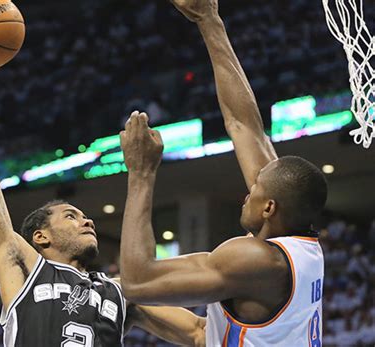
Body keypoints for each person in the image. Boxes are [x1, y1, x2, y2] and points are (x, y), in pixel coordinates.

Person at [0, 21, 206, 347]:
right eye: (71, 216)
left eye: (81, 216)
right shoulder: (22, 265)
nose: (88, 220)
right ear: (41, 237)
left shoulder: (123, 291)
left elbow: (199, 332)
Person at [119, 0, 327, 346]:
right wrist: (208, 20)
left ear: (269, 207)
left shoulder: (257, 262)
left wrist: (141, 173)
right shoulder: (296, 245)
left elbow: (138, 281)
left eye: (255, 188)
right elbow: (245, 126)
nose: (248, 190)